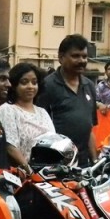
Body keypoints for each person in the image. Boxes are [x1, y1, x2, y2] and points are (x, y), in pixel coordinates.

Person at [37, 34, 98, 164]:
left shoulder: (89, 86)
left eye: (84, 56)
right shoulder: (47, 86)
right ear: (61, 58)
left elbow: (89, 129)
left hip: (83, 163)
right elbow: (38, 130)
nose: (81, 60)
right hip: (56, 163)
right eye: (75, 56)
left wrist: (95, 160)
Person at [0, 63, 55, 168]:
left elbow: (54, 141)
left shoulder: (42, 112)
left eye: (34, 82)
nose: (30, 86)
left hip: (47, 172)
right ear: (14, 85)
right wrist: (29, 171)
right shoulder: (8, 110)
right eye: (24, 82)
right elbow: (10, 146)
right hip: (21, 173)